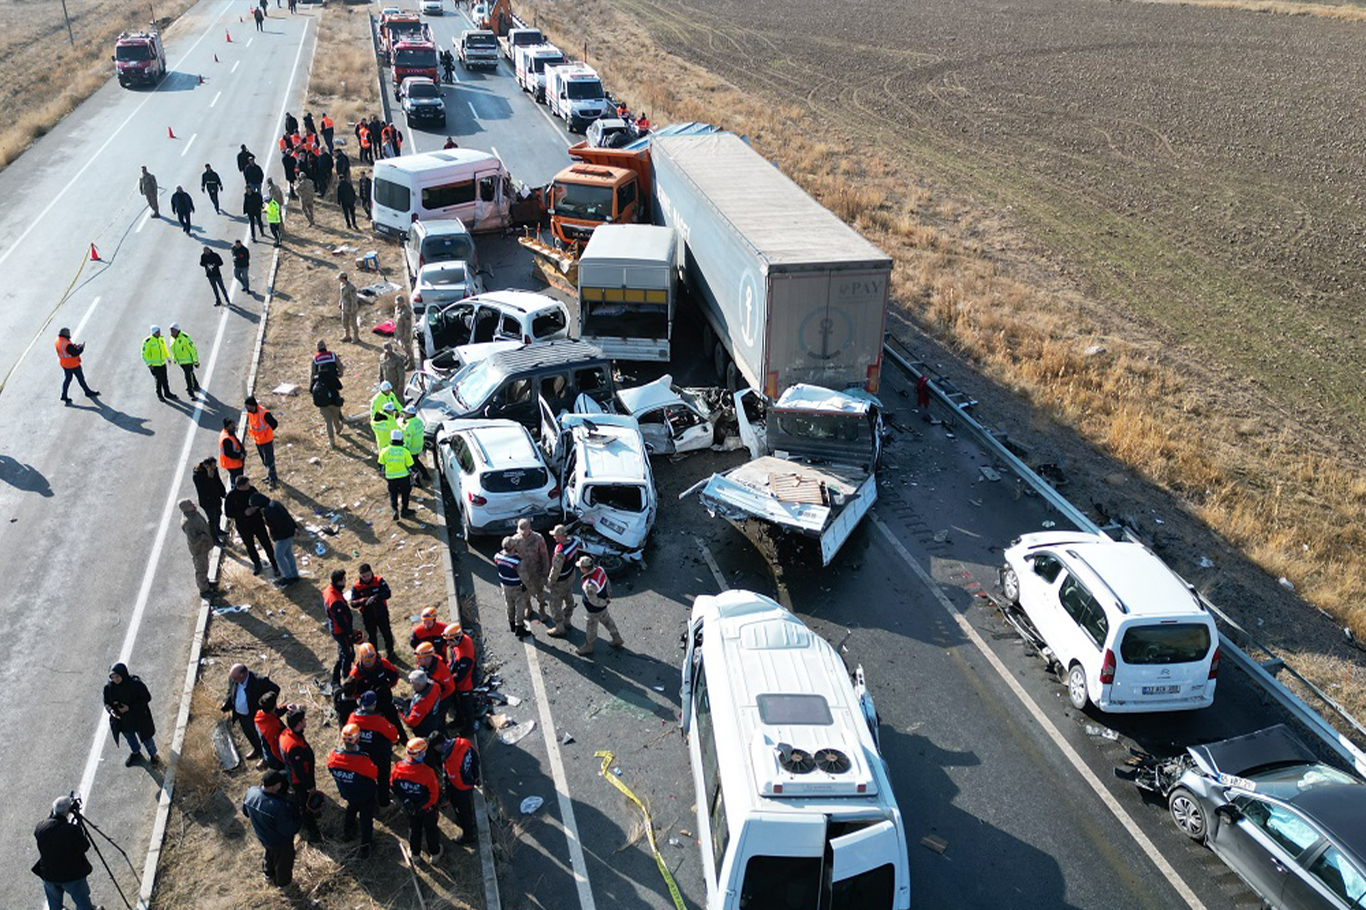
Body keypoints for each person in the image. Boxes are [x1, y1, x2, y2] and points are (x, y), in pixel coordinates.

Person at [34, 795, 97, 910]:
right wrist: (78, 825)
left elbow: (52, 830)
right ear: (68, 811)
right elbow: (84, 846)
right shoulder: (72, 830)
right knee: (83, 904)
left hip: (49, 875)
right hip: (72, 876)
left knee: (54, 905)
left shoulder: (40, 827)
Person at [242, 770, 302, 887]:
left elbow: (246, 812)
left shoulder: (251, 792)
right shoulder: (277, 807)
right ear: (276, 786)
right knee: (284, 862)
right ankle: (284, 884)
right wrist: (298, 818)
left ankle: (268, 874)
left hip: (262, 834)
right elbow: (289, 830)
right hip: (279, 841)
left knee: (269, 853)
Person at [327, 724, 379, 856]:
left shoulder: (333, 757)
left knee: (351, 808)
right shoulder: (362, 761)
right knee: (366, 819)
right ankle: (366, 846)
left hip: (347, 792)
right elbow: (374, 773)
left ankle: (348, 833)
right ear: (357, 739)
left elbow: (331, 769)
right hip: (365, 795)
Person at [392, 738, 442, 859]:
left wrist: (407, 801)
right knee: (431, 831)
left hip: (410, 808)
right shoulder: (428, 773)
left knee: (414, 830)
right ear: (421, 754)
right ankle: (435, 853)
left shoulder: (398, 768)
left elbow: (394, 786)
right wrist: (422, 806)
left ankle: (415, 854)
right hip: (427, 809)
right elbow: (434, 795)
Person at [279, 708, 322, 842]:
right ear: (299, 723)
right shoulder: (294, 747)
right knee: (304, 805)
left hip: (296, 776)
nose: (305, 721)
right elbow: (300, 772)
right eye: (303, 720)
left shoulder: (287, 733)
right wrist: (310, 787)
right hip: (299, 781)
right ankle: (312, 832)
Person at [221, 663, 281, 759]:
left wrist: (265, 702)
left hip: (255, 716)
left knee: (261, 737)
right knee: (249, 734)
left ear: (243, 675)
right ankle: (257, 750)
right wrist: (227, 702)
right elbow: (231, 691)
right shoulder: (234, 680)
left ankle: (266, 757)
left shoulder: (259, 681)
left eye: (235, 678)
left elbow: (275, 689)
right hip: (242, 715)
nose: (233, 681)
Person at [349, 690, 399, 808]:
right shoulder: (379, 721)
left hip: (362, 755)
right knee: (383, 778)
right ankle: (384, 801)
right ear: (374, 704)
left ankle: (369, 801)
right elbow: (393, 735)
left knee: (366, 778)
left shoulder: (353, 718)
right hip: (380, 755)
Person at [104, 662, 159, 767]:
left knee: (146, 738)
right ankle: (136, 752)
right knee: (130, 737)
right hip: (124, 719)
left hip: (139, 717)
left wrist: (129, 708)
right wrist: (111, 711)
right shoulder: (109, 688)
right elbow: (106, 702)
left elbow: (146, 698)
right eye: (113, 677)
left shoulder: (135, 684)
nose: (115, 679)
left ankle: (153, 755)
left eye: (117, 676)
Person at [225, 475, 280, 577]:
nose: (249, 486)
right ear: (240, 486)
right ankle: (257, 563)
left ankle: (274, 562)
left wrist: (256, 508)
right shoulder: (231, 496)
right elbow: (228, 513)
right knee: (250, 545)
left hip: (257, 522)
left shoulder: (252, 490)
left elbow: (261, 500)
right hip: (243, 525)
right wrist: (244, 513)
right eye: (246, 484)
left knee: (266, 542)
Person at [576, 554, 624, 656]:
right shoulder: (600, 570)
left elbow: (594, 601)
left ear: (584, 569)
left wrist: (604, 602)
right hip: (603, 606)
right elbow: (607, 583)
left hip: (594, 610)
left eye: (580, 567)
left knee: (591, 628)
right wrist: (608, 597)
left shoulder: (589, 585)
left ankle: (588, 646)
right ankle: (617, 638)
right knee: (608, 621)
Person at [349, 643, 403, 731]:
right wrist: (365, 694)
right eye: (367, 661)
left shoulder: (383, 664)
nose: (370, 662)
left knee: (395, 721)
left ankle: (402, 739)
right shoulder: (356, 673)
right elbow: (352, 692)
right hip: (370, 707)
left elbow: (394, 674)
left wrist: (388, 685)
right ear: (361, 659)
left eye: (372, 659)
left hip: (386, 699)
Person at [441, 731, 480, 842]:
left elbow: (457, 783)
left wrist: (466, 787)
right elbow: (475, 758)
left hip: (460, 791)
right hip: (468, 782)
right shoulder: (464, 743)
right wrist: (475, 778)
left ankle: (469, 835)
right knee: (467, 808)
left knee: (463, 811)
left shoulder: (451, 761)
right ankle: (469, 821)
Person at [353, 563, 396, 659]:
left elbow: (388, 593)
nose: (366, 578)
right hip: (368, 616)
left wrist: (376, 597)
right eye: (363, 576)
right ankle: (375, 655)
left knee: (387, 633)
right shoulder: (357, 586)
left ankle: (391, 653)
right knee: (372, 636)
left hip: (381, 613)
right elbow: (353, 603)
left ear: (371, 572)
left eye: (368, 575)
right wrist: (363, 601)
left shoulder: (379, 581)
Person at [256, 492, 300, 585]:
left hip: (282, 536)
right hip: (289, 532)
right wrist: (295, 527)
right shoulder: (275, 503)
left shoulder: (267, 511)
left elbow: (272, 525)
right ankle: (294, 574)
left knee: (278, 556)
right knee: (288, 554)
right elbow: (287, 515)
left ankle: (288, 577)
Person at [545, 524, 581, 637]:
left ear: (561, 536)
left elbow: (556, 570)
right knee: (569, 598)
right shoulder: (574, 542)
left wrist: (550, 582)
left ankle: (559, 627)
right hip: (570, 576)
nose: (554, 538)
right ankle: (567, 620)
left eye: (555, 536)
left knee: (555, 603)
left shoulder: (560, 553)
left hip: (560, 581)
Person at [323, 568, 357, 686]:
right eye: (343, 580)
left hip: (335, 628)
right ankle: (346, 676)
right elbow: (340, 620)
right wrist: (349, 632)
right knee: (349, 653)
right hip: (340, 631)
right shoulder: (335, 600)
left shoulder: (329, 590)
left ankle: (341, 669)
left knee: (343, 650)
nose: (345, 581)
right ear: (338, 582)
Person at [310, 341, 346, 446]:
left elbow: (312, 374)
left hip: (322, 395)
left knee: (327, 421)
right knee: (335, 413)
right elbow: (340, 366)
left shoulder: (315, 359)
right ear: (325, 347)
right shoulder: (332, 355)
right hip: (333, 391)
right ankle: (338, 427)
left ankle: (331, 441)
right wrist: (339, 375)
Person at [179, 499, 217, 597]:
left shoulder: (193, 514)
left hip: (203, 546)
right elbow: (193, 539)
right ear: (186, 509)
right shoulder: (188, 522)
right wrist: (204, 536)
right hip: (198, 549)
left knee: (205, 565)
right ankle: (204, 590)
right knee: (201, 569)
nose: (193, 505)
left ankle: (207, 583)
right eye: (191, 505)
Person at [415, 642, 455, 731]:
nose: (418, 661)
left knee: (440, 718)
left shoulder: (441, 669)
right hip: (431, 695)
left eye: (420, 659)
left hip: (442, 698)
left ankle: (442, 733)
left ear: (428, 658)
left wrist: (440, 698)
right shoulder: (422, 665)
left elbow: (450, 687)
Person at [515, 518, 549, 623]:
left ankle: (542, 610)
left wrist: (545, 572)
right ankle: (528, 608)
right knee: (525, 594)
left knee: (540, 594)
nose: (522, 534)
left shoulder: (538, 539)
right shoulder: (516, 539)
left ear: (529, 528)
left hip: (537, 571)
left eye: (524, 531)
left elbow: (544, 556)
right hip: (523, 573)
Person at [445, 622, 477, 735]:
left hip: (465, 684)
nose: (448, 643)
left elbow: (461, 675)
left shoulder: (465, 654)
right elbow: (453, 660)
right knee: (458, 704)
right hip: (459, 681)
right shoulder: (458, 643)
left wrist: (448, 682)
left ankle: (469, 728)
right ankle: (459, 721)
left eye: (450, 640)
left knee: (466, 707)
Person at [496, 537, 530, 636]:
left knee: (509, 604)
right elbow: (524, 576)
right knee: (520, 605)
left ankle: (511, 624)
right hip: (516, 586)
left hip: (505, 585)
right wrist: (527, 585)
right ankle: (519, 627)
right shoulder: (517, 561)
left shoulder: (497, 556)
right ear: (513, 547)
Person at [55, 327, 99, 404]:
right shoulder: (67, 344)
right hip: (73, 365)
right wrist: (81, 348)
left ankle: (64, 395)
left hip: (64, 364)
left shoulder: (58, 341)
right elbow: (74, 353)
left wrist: (74, 347)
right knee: (81, 378)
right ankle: (87, 392)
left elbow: (66, 350)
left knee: (67, 379)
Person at [379, 428, 414, 521]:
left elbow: (380, 464)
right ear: (401, 439)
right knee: (405, 494)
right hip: (404, 477)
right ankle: (404, 510)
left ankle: (395, 510)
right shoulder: (405, 451)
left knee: (393, 494)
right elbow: (411, 465)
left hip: (391, 477)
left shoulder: (384, 450)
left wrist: (383, 473)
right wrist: (414, 473)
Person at [244, 396, 280, 486]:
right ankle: (270, 475)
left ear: (253, 405)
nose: (247, 409)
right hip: (258, 441)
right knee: (264, 460)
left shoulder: (264, 413)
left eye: (248, 407)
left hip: (266, 441)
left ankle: (273, 479)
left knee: (269, 461)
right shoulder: (251, 413)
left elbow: (274, 424)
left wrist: (266, 433)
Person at [193, 457, 227, 545]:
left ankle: (218, 530)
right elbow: (204, 488)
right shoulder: (198, 475)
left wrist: (223, 493)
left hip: (215, 497)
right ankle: (214, 538)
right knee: (212, 519)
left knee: (218, 513)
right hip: (207, 501)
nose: (215, 467)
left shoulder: (214, 470)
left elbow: (218, 481)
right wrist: (208, 477)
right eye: (213, 466)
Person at [254, 689, 287, 770]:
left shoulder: (259, 714)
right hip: (276, 759)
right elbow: (275, 748)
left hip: (267, 751)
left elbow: (274, 713)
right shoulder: (272, 727)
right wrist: (286, 761)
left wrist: (285, 708)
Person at [142, 325, 176, 402]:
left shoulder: (161, 339)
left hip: (162, 363)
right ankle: (159, 394)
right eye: (158, 332)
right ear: (154, 332)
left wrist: (168, 358)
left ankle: (167, 393)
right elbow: (144, 354)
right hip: (154, 365)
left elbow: (164, 349)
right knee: (158, 380)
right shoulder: (148, 341)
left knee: (165, 379)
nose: (159, 333)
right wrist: (149, 364)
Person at [168, 323, 200, 397]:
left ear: (177, 330)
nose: (171, 333)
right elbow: (174, 350)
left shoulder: (185, 338)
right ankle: (196, 385)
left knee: (188, 376)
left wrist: (196, 361)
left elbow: (193, 350)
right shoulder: (172, 338)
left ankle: (191, 392)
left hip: (188, 361)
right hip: (181, 362)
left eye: (173, 331)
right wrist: (175, 359)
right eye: (171, 331)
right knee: (190, 374)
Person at [401, 405, 430, 487]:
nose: (403, 414)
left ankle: (418, 482)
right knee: (416, 461)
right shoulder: (419, 421)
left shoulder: (408, 426)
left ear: (409, 414)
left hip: (411, 449)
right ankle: (425, 475)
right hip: (419, 446)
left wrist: (405, 449)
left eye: (405, 413)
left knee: (413, 466)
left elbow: (407, 440)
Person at [219, 418, 246, 485]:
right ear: (227, 426)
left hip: (234, 462)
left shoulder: (228, 432)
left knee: (234, 480)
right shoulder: (226, 439)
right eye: (232, 425)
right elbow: (229, 453)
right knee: (237, 482)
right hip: (233, 463)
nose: (234, 427)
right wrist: (240, 455)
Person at [378, 343, 406, 407]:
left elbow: (401, 375)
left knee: (399, 402)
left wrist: (400, 386)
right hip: (386, 385)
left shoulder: (397, 359)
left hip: (395, 385)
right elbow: (381, 370)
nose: (388, 353)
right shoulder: (382, 358)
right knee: (387, 402)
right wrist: (381, 382)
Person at [394, 295, 415, 365]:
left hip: (404, 334)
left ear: (403, 303)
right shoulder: (397, 309)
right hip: (398, 332)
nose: (398, 304)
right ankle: (407, 358)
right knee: (401, 345)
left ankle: (411, 362)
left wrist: (406, 336)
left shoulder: (406, 312)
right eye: (397, 303)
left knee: (407, 347)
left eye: (400, 303)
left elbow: (408, 326)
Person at [338, 272, 359, 342]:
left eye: (340, 278)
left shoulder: (351, 288)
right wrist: (340, 303)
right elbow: (341, 295)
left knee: (353, 323)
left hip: (351, 308)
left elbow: (354, 299)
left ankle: (356, 337)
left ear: (343, 278)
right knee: (344, 322)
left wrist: (353, 309)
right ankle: (347, 336)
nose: (339, 280)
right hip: (344, 307)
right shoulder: (341, 285)